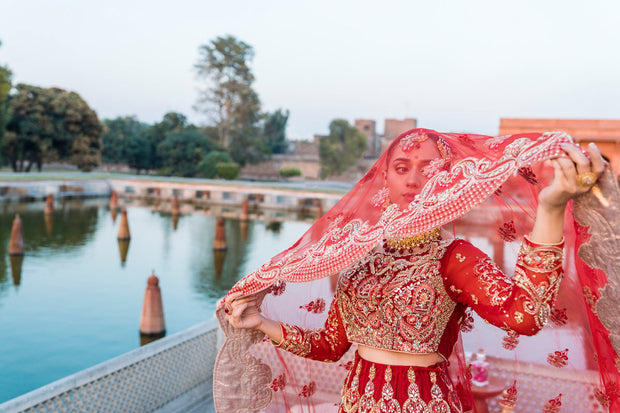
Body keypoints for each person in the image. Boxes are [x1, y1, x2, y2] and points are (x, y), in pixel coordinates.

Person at [214, 129, 619, 412]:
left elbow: (525, 315)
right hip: (354, 403)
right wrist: (259, 321)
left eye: (427, 167)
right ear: (384, 177)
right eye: (401, 166)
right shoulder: (359, 252)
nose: (413, 179)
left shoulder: (454, 257)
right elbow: (331, 345)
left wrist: (549, 208)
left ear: (446, 178)